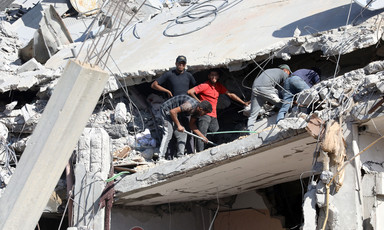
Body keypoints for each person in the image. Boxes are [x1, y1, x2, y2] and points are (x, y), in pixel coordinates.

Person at [187, 69, 249, 152]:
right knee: (202, 134)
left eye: (215, 75)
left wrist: (243, 103)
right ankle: (199, 152)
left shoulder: (219, 86)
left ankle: (215, 150)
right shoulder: (205, 85)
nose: (213, 77)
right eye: (212, 75)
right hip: (204, 114)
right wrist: (200, 103)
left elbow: (230, 94)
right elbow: (190, 92)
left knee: (216, 133)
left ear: (218, 76)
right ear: (209, 76)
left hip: (214, 115)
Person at [151, 55, 196, 156]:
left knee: (188, 130)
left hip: (185, 107)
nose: (181, 65)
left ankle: (190, 153)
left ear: (185, 65)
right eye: (179, 63)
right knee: (170, 132)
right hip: (172, 107)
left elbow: (195, 89)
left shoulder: (188, 76)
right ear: (176, 64)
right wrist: (166, 90)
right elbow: (154, 85)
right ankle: (169, 155)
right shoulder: (169, 74)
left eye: (183, 64)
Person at [154, 95, 213, 161]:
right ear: (200, 109)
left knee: (183, 135)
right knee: (168, 134)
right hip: (167, 110)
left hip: (176, 114)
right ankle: (160, 157)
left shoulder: (197, 112)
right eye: (205, 113)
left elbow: (192, 125)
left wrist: (202, 137)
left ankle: (180, 157)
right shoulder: (189, 105)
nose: (204, 115)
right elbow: (172, 112)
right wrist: (179, 125)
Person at [247, 64, 291, 131]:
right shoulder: (283, 73)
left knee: (253, 115)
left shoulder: (270, 71)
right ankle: (291, 114)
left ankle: (249, 131)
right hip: (266, 88)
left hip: (255, 89)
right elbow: (287, 87)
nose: (288, 75)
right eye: (289, 73)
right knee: (283, 105)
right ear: (285, 70)